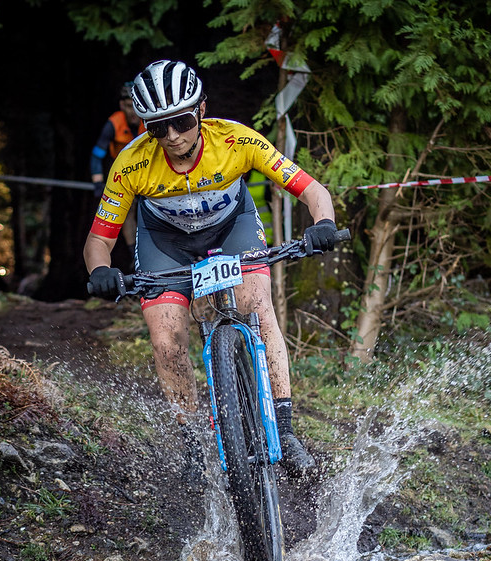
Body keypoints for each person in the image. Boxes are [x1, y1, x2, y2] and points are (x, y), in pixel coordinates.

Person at [84, 59, 337, 481]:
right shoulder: (130, 164)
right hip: (167, 242)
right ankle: (191, 445)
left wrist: (323, 224)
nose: (172, 137)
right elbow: (99, 240)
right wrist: (100, 270)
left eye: (181, 122)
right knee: (166, 339)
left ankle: (285, 429)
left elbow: (312, 190)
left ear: (201, 109)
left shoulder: (237, 141)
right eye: (157, 128)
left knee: (257, 308)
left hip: (231, 227)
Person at [90, 82, 146, 252]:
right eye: (129, 106)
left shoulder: (149, 121)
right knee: (125, 211)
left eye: (136, 106)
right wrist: (98, 182)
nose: (133, 112)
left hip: (147, 171)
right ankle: (133, 252)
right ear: (122, 105)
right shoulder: (113, 124)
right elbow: (97, 155)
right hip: (122, 173)